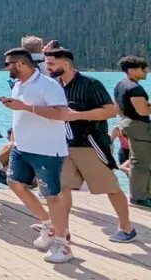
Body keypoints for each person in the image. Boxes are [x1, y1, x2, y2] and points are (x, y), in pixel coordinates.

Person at [45, 49, 136, 242]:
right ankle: (63, 230)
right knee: (62, 188)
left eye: (51, 64)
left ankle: (127, 227)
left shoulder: (90, 84)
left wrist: (77, 115)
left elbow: (111, 111)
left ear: (66, 64)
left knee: (110, 187)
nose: (47, 67)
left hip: (91, 145)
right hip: (64, 145)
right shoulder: (54, 86)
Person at [0, 48, 72, 263]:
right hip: (22, 148)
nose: (6, 68)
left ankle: (62, 243)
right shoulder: (19, 85)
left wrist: (26, 107)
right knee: (14, 182)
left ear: (20, 63)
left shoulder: (48, 85)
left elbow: (62, 114)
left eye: (7, 64)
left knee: (52, 196)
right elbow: (22, 113)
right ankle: (48, 225)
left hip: (47, 150)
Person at [114, 56, 150, 208]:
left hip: (127, 123)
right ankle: (138, 197)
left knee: (141, 161)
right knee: (141, 163)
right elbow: (142, 111)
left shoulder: (120, 85)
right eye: (142, 68)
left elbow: (118, 107)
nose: (146, 71)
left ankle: (144, 194)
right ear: (131, 70)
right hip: (139, 126)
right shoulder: (134, 88)